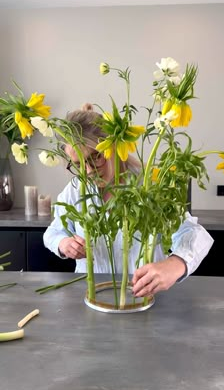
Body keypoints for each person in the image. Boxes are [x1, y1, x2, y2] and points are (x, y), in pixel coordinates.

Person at [43, 104, 214, 296]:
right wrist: (63, 243)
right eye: (78, 165)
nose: (89, 171)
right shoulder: (74, 191)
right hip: (93, 296)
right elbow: (53, 232)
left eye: (96, 157)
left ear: (114, 146)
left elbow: (195, 233)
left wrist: (174, 264)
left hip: (145, 297)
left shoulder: (149, 186)